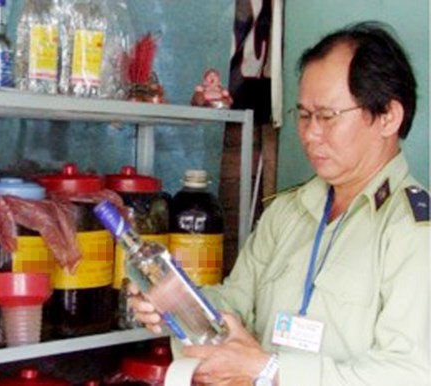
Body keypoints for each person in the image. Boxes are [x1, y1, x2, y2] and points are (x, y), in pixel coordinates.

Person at [128, 21, 430, 386]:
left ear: (387, 117)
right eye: (303, 115)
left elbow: (411, 374)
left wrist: (270, 371)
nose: (310, 133)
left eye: (326, 116)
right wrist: (177, 305)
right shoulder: (287, 213)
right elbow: (237, 303)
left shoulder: (413, 232)